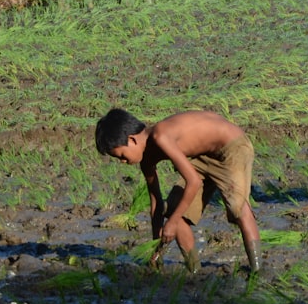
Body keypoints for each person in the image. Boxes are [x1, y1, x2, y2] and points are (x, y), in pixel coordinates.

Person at [95, 108, 262, 274]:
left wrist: (172, 223)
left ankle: (257, 270)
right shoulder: (146, 162)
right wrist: (156, 248)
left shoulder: (161, 136)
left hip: (232, 147)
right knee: (175, 210)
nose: (123, 162)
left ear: (132, 140)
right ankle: (194, 270)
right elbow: (156, 204)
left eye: (122, 156)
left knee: (237, 208)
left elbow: (194, 182)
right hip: (205, 155)